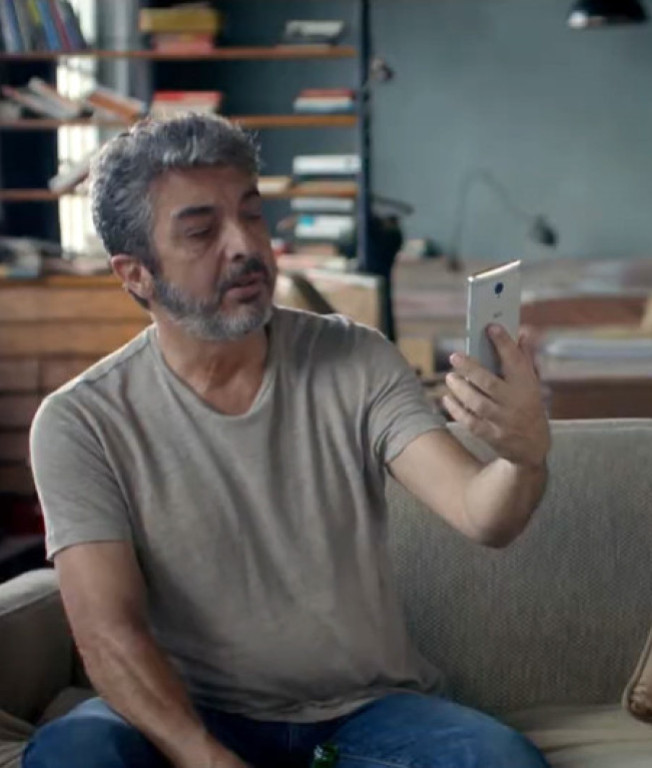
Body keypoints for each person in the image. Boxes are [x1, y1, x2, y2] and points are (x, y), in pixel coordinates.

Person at [23, 114, 552, 768]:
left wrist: (524, 457)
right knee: (76, 753)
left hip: (364, 712)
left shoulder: (355, 359)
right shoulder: (81, 422)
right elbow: (109, 634)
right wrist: (205, 758)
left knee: (501, 761)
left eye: (251, 214)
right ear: (135, 274)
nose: (244, 245)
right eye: (202, 231)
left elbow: (482, 514)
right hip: (188, 715)